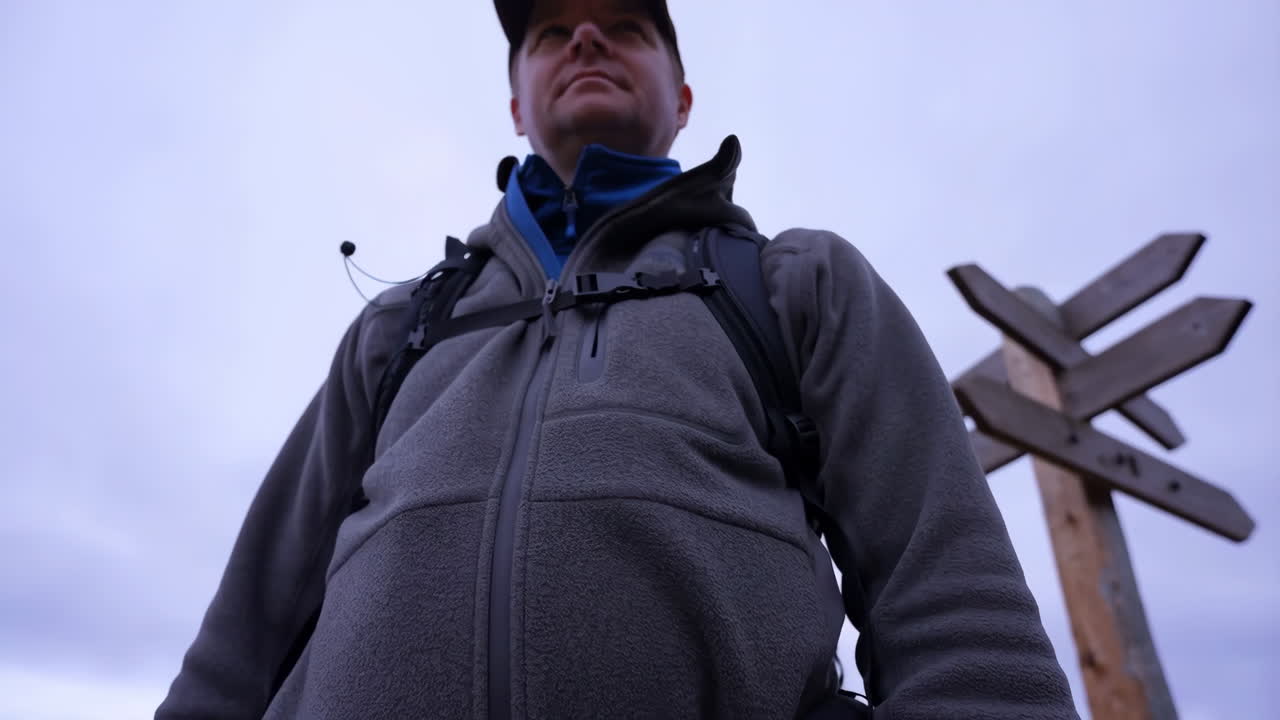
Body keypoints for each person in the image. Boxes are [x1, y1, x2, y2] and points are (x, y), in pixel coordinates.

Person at [157, 1, 1079, 718]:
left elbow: (951, 596)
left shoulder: (798, 284)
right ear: (517, 103)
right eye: (551, 31)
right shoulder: (399, 325)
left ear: (682, 99)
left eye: (627, 26)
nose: (587, 36)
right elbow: (243, 635)